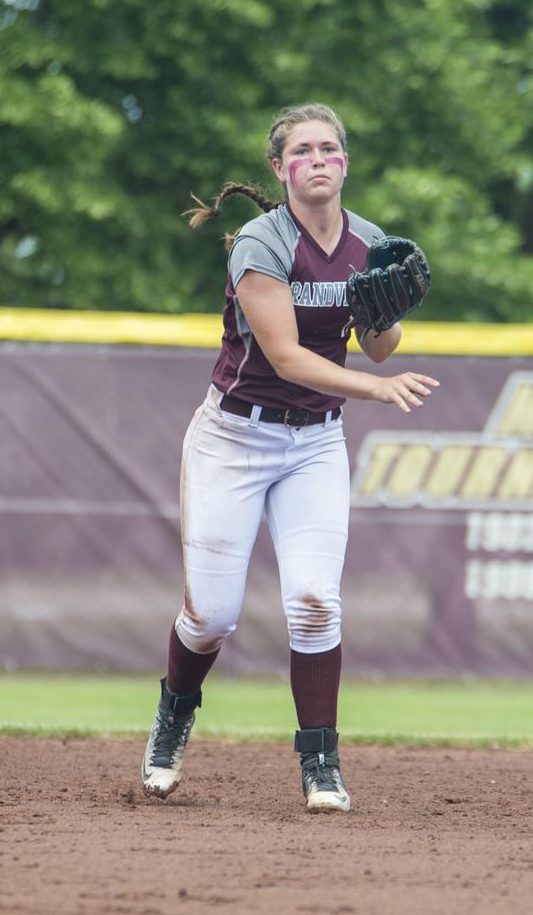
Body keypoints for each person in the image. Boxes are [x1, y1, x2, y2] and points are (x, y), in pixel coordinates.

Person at [141, 102, 438, 812]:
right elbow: (284, 355)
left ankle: (321, 764)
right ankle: (171, 723)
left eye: (328, 149)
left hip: (313, 445)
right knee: (211, 616)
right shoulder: (260, 241)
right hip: (234, 440)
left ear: (345, 163)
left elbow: (377, 344)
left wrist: (384, 315)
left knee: (313, 602)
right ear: (278, 169)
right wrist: (375, 386)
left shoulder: (370, 242)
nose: (316, 160)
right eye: (300, 151)